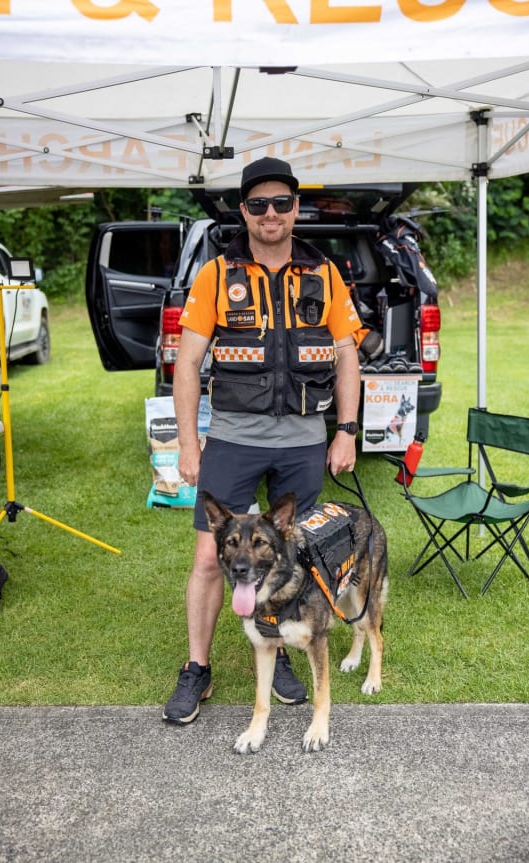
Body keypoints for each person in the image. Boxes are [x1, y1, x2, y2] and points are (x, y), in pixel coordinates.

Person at [162, 157, 362, 725]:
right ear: (244, 211)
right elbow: (188, 362)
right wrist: (188, 441)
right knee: (209, 555)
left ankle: (283, 647)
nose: (270, 214)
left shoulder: (324, 274)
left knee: (300, 553)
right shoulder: (215, 275)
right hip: (233, 435)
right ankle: (196, 668)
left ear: (296, 208)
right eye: (257, 204)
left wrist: (345, 430)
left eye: (280, 203)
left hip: (303, 439)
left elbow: (347, 355)